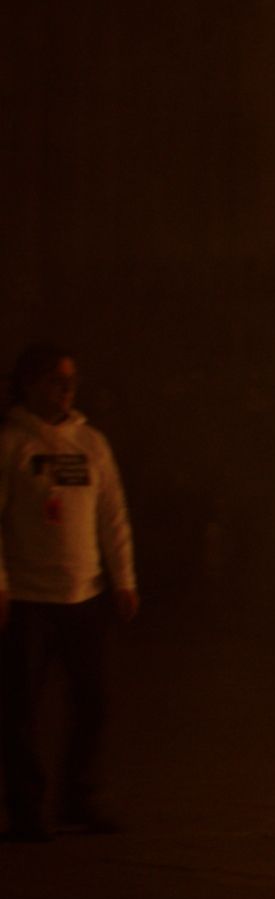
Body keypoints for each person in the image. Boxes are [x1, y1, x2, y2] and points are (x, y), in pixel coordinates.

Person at [0, 346, 139, 841]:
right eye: (57, 381)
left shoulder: (91, 445)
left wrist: (123, 579)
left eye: (72, 381)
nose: (67, 390)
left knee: (93, 702)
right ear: (31, 384)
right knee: (20, 709)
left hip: (84, 595)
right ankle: (26, 810)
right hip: (31, 599)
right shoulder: (11, 444)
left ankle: (77, 798)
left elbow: (113, 515)